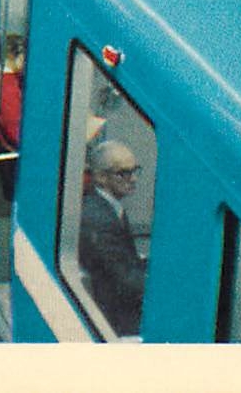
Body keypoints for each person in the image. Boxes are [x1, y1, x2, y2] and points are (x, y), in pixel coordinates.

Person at [78, 140, 146, 338]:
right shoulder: (99, 220)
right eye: (123, 173)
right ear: (100, 177)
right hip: (117, 321)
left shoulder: (105, 208)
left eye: (135, 171)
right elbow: (126, 282)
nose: (133, 179)